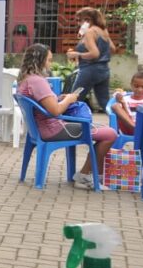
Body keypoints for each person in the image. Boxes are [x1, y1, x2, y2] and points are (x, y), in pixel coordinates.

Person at [17, 44, 117, 189]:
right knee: (110, 134)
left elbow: (43, 105)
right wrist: (69, 100)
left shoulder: (26, 80)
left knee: (101, 130)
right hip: (52, 129)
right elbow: (56, 111)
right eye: (49, 60)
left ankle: (88, 173)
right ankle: (84, 175)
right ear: (40, 61)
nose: (50, 63)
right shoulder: (38, 81)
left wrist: (58, 98)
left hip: (40, 129)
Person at [67, 7, 115, 111]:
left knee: (73, 99)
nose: (78, 23)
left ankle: (68, 124)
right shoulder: (103, 31)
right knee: (105, 103)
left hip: (89, 70)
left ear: (88, 20)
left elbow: (95, 54)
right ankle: (119, 121)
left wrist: (77, 54)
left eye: (80, 20)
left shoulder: (90, 32)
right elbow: (112, 48)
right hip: (104, 70)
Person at [110, 70, 143, 136]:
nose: (139, 89)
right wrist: (123, 103)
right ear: (131, 85)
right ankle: (136, 128)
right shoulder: (125, 98)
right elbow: (126, 116)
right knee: (115, 106)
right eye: (136, 86)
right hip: (130, 128)